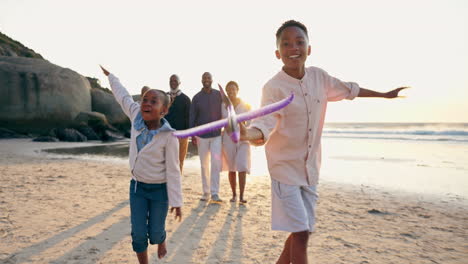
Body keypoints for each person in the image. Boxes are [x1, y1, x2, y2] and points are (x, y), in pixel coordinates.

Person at [240, 20, 408, 264]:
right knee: (299, 232)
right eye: (286, 44)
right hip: (284, 170)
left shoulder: (320, 77)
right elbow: (263, 125)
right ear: (278, 53)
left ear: (309, 48)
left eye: (299, 42)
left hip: (310, 170)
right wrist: (245, 134)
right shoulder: (273, 88)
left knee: (304, 232)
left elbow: (350, 89)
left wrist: (384, 95)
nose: (293, 48)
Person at [100, 66, 183, 264]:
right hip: (137, 187)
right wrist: (111, 76)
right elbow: (123, 96)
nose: (146, 103)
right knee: (138, 235)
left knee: (154, 234)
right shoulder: (136, 114)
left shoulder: (169, 137)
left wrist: (177, 201)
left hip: (159, 190)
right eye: (145, 99)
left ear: (164, 110)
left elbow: (173, 171)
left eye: (153, 101)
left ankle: (161, 239)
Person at [189, 72, 223, 202]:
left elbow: (225, 109)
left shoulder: (218, 95)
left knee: (215, 164)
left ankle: (215, 192)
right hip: (201, 136)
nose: (206, 80)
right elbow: (192, 116)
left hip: (216, 135)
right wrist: (192, 134)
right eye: (204, 78)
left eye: (208, 78)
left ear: (212, 80)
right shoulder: (196, 98)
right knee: (204, 165)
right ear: (201, 80)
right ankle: (206, 192)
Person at [221, 81, 251, 204]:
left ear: (237, 90)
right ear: (226, 92)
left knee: (242, 165)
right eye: (229, 90)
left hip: (243, 138)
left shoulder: (245, 105)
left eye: (233, 89)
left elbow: (250, 122)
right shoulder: (223, 105)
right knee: (232, 167)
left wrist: (243, 126)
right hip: (228, 138)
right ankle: (234, 195)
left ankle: (242, 196)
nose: (231, 91)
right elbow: (221, 122)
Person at [165, 74, 191, 172]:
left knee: (179, 162)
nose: (173, 82)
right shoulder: (164, 98)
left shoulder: (186, 99)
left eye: (175, 81)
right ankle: (167, 185)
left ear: (179, 83)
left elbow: (189, 117)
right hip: (166, 134)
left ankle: (177, 185)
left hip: (182, 136)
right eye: (171, 80)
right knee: (167, 161)